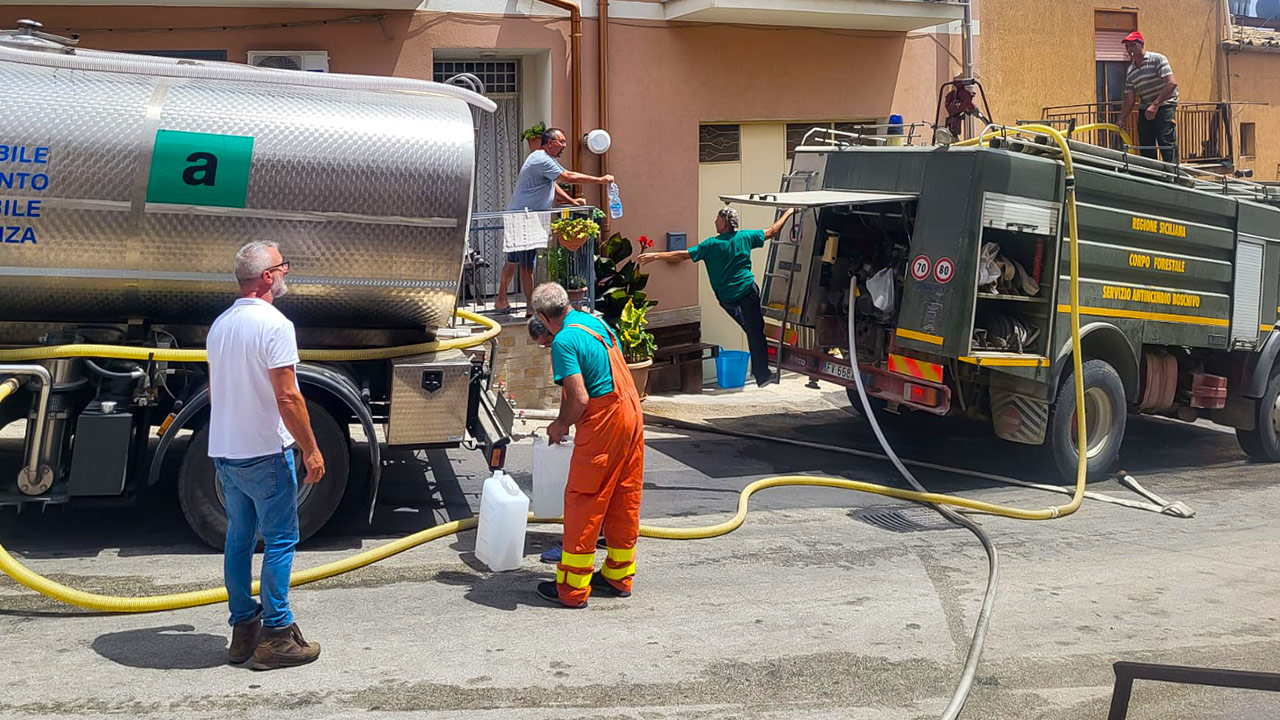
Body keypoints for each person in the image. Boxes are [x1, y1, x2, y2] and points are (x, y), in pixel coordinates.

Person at [207, 240, 325, 671]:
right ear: (268, 277)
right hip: (263, 452)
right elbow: (288, 396)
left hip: (225, 452)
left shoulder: (220, 325)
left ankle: (243, 631)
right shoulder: (275, 324)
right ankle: (277, 635)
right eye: (283, 267)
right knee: (279, 539)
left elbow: (218, 389)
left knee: (238, 538)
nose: (286, 273)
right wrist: (311, 449)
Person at [530, 283, 644, 608]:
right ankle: (618, 576)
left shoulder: (563, 340)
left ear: (542, 316)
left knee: (585, 498)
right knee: (624, 495)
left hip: (605, 421)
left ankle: (572, 589)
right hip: (631, 414)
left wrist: (560, 424)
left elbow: (579, 397)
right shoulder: (595, 322)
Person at [638, 206, 796, 387]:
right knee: (755, 332)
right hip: (747, 292)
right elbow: (773, 231)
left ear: (726, 224)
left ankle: (759, 364)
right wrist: (788, 212)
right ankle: (761, 373)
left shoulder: (711, 245)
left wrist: (656, 256)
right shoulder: (745, 237)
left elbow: (681, 256)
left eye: (718, 219)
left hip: (727, 299)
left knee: (752, 330)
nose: (714, 222)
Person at [499, 127, 615, 315]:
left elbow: (552, 183)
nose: (564, 145)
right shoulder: (542, 159)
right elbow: (567, 177)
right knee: (527, 264)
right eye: (561, 142)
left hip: (520, 215)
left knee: (513, 262)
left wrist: (570, 201)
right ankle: (531, 308)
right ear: (550, 142)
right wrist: (600, 180)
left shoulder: (540, 158)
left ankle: (501, 300)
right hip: (526, 217)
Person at [1118, 31, 1179, 163]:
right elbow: (1129, 99)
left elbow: (1171, 84)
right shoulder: (1130, 71)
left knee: (1166, 142)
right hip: (1146, 107)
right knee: (1146, 145)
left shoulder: (1157, 59)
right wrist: (1122, 119)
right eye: (1127, 47)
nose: (1130, 49)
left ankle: (1174, 176)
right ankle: (1152, 177)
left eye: (1132, 45)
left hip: (1164, 105)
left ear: (1142, 44)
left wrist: (1155, 105)